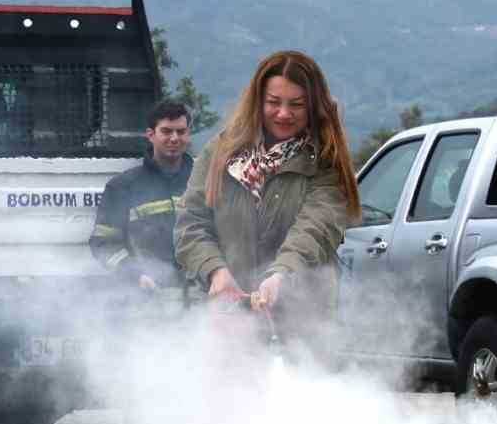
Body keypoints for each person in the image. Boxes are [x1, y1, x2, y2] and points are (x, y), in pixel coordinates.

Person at [175, 50, 359, 346]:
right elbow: (191, 223)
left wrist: (281, 274)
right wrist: (215, 271)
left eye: (296, 105)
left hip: (304, 325)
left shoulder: (326, 161)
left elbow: (315, 228)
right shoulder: (220, 151)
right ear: (257, 101)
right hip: (228, 320)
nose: (284, 113)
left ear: (313, 107)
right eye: (274, 102)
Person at [91, 100, 194, 291]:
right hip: (145, 302)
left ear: (188, 135)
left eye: (180, 131)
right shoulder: (123, 187)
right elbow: (103, 243)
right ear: (150, 135)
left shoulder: (204, 183)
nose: (174, 138)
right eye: (166, 131)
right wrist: (133, 274)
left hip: (200, 300)